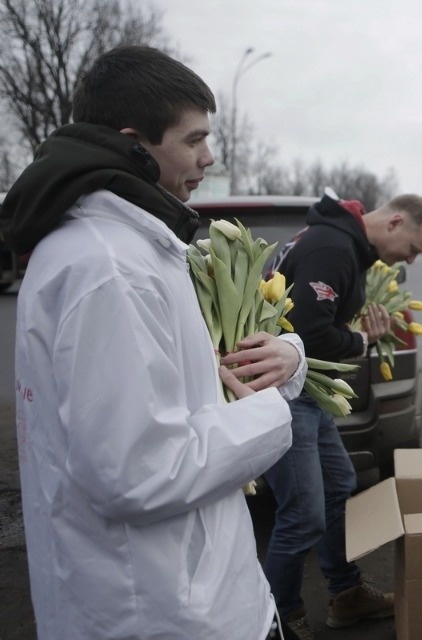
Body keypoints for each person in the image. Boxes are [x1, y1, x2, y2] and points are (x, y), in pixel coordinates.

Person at [0, 45, 307, 639]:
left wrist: (286, 361)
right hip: (166, 613)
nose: (209, 156)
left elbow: (178, 389)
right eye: (194, 140)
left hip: (189, 593)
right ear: (134, 142)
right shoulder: (109, 268)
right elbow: (139, 471)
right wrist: (270, 414)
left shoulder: (132, 248)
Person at [264, 190, 422, 637]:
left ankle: (346, 595)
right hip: (287, 392)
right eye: (415, 249)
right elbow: (306, 332)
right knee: (302, 515)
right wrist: (359, 341)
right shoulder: (333, 247)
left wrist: (353, 332)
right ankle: (278, 618)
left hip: (305, 388)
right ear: (396, 222)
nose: (412, 261)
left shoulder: (344, 244)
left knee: (340, 483)